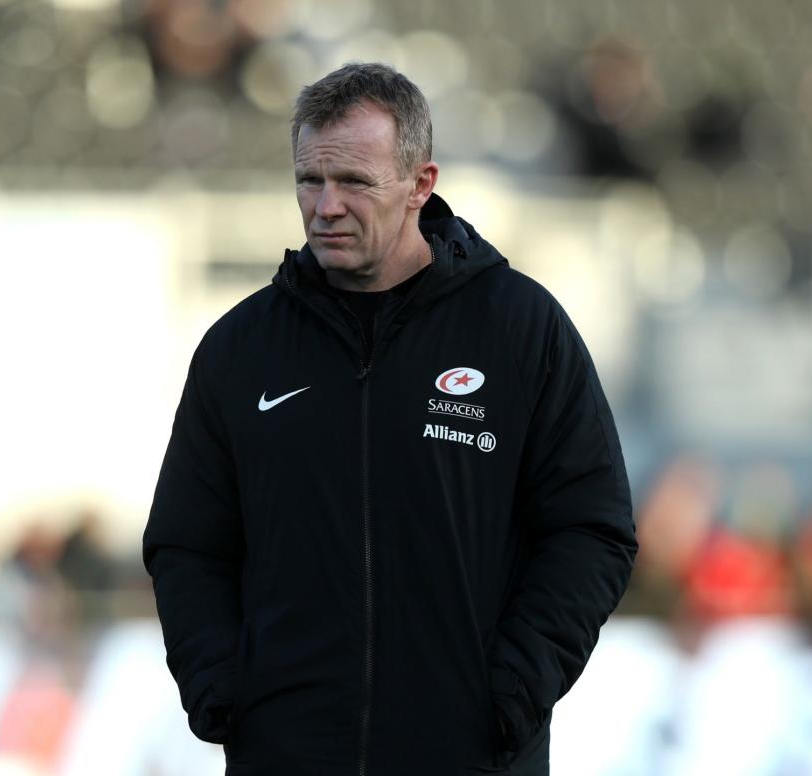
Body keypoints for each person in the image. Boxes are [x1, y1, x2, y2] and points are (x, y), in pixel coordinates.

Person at [142, 62, 637, 776]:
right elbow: (188, 544)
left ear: (419, 185)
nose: (325, 206)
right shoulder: (239, 349)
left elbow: (591, 529)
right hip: (290, 755)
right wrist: (223, 690)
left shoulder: (520, 330)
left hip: (470, 755)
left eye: (353, 182)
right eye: (308, 181)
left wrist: (512, 692)